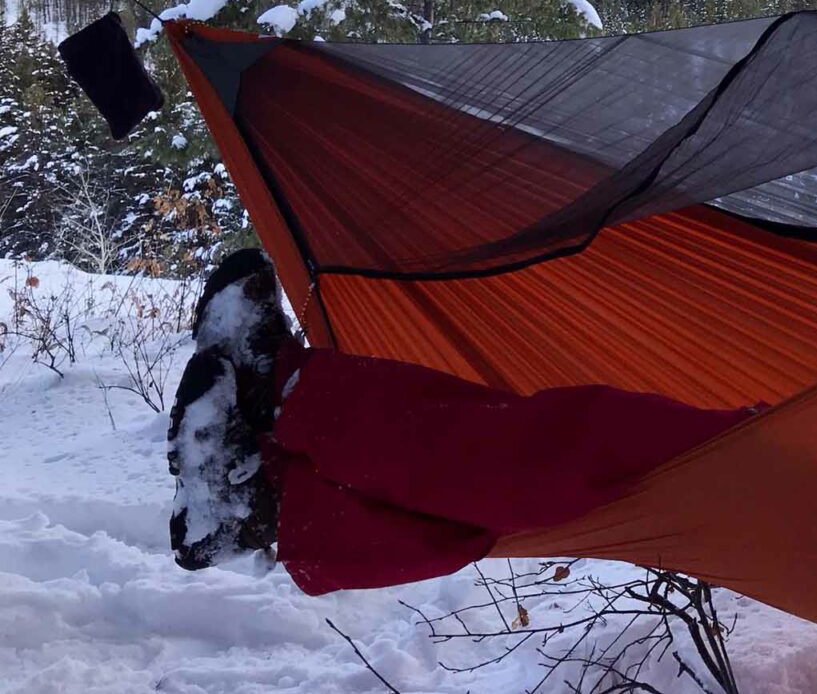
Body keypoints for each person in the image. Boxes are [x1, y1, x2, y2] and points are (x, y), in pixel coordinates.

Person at [167, 251, 754, 592]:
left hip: (802, 469)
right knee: (554, 473)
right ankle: (259, 488)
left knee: (579, 452)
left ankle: (273, 429)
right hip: (808, 471)